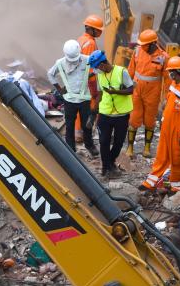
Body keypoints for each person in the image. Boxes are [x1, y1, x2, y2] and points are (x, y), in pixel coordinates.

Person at [140, 56, 180, 193]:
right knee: (161, 155)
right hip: (167, 128)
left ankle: (175, 186)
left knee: (177, 158)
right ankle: (151, 181)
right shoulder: (174, 85)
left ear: (178, 72)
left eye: (171, 72)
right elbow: (169, 103)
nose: (169, 74)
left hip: (178, 130)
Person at [47, 39, 98, 156]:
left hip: (84, 99)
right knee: (69, 125)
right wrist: (59, 89)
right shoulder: (60, 63)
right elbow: (50, 74)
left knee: (87, 124)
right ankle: (70, 148)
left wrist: (89, 75)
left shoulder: (87, 59)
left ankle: (89, 145)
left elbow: (97, 69)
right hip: (69, 99)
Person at [89, 50, 134, 178]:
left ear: (102, 65)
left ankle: (111, 162)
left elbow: (130, 89)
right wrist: (94, 110)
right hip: (105, 114)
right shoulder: (100, 75)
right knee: (104, 141)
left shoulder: (121, 72)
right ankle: (105, 167)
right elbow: (101, 93)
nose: (96, 70)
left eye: (97, 67)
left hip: (121, 115)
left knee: (118, 143)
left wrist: (116, 92)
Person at [126, 29, 168, 157]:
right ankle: (130, 148)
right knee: (133, 119)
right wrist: (127, 88)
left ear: (153, 43)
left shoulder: (163, 57)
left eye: (144, 44)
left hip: (153, 93)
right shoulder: (138, 51)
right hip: (137, 91)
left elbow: (167, 80)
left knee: (150, 121)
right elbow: (130, 70)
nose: (142, 46)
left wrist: (166, 97)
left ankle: (147, 148)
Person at [74, 14, 104, 142]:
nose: (100, 32)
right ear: (91, 29)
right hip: (88, 79)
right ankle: (84, 133)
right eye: (98, 29)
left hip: (78, 77)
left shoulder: (80, 39)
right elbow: (89, 65)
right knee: (91, 105)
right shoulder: (90, 43)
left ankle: (78, 133)